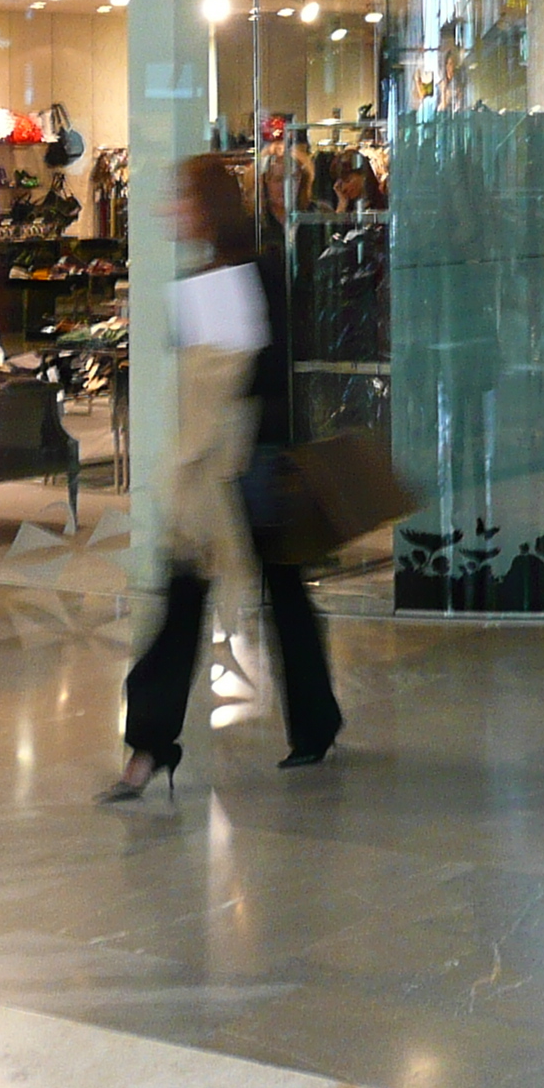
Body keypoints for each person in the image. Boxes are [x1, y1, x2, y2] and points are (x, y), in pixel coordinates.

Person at [107, 154, 338, 798]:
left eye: (177, 199)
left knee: (224, 600)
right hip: (245, 470)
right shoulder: (244, 274)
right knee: (262, 599)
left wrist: (184, 468)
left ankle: (153, 748)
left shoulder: (227, 282)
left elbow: (220, 398)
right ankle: (308, 726)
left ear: (206, 207)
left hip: (236, 475)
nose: (166, 211)